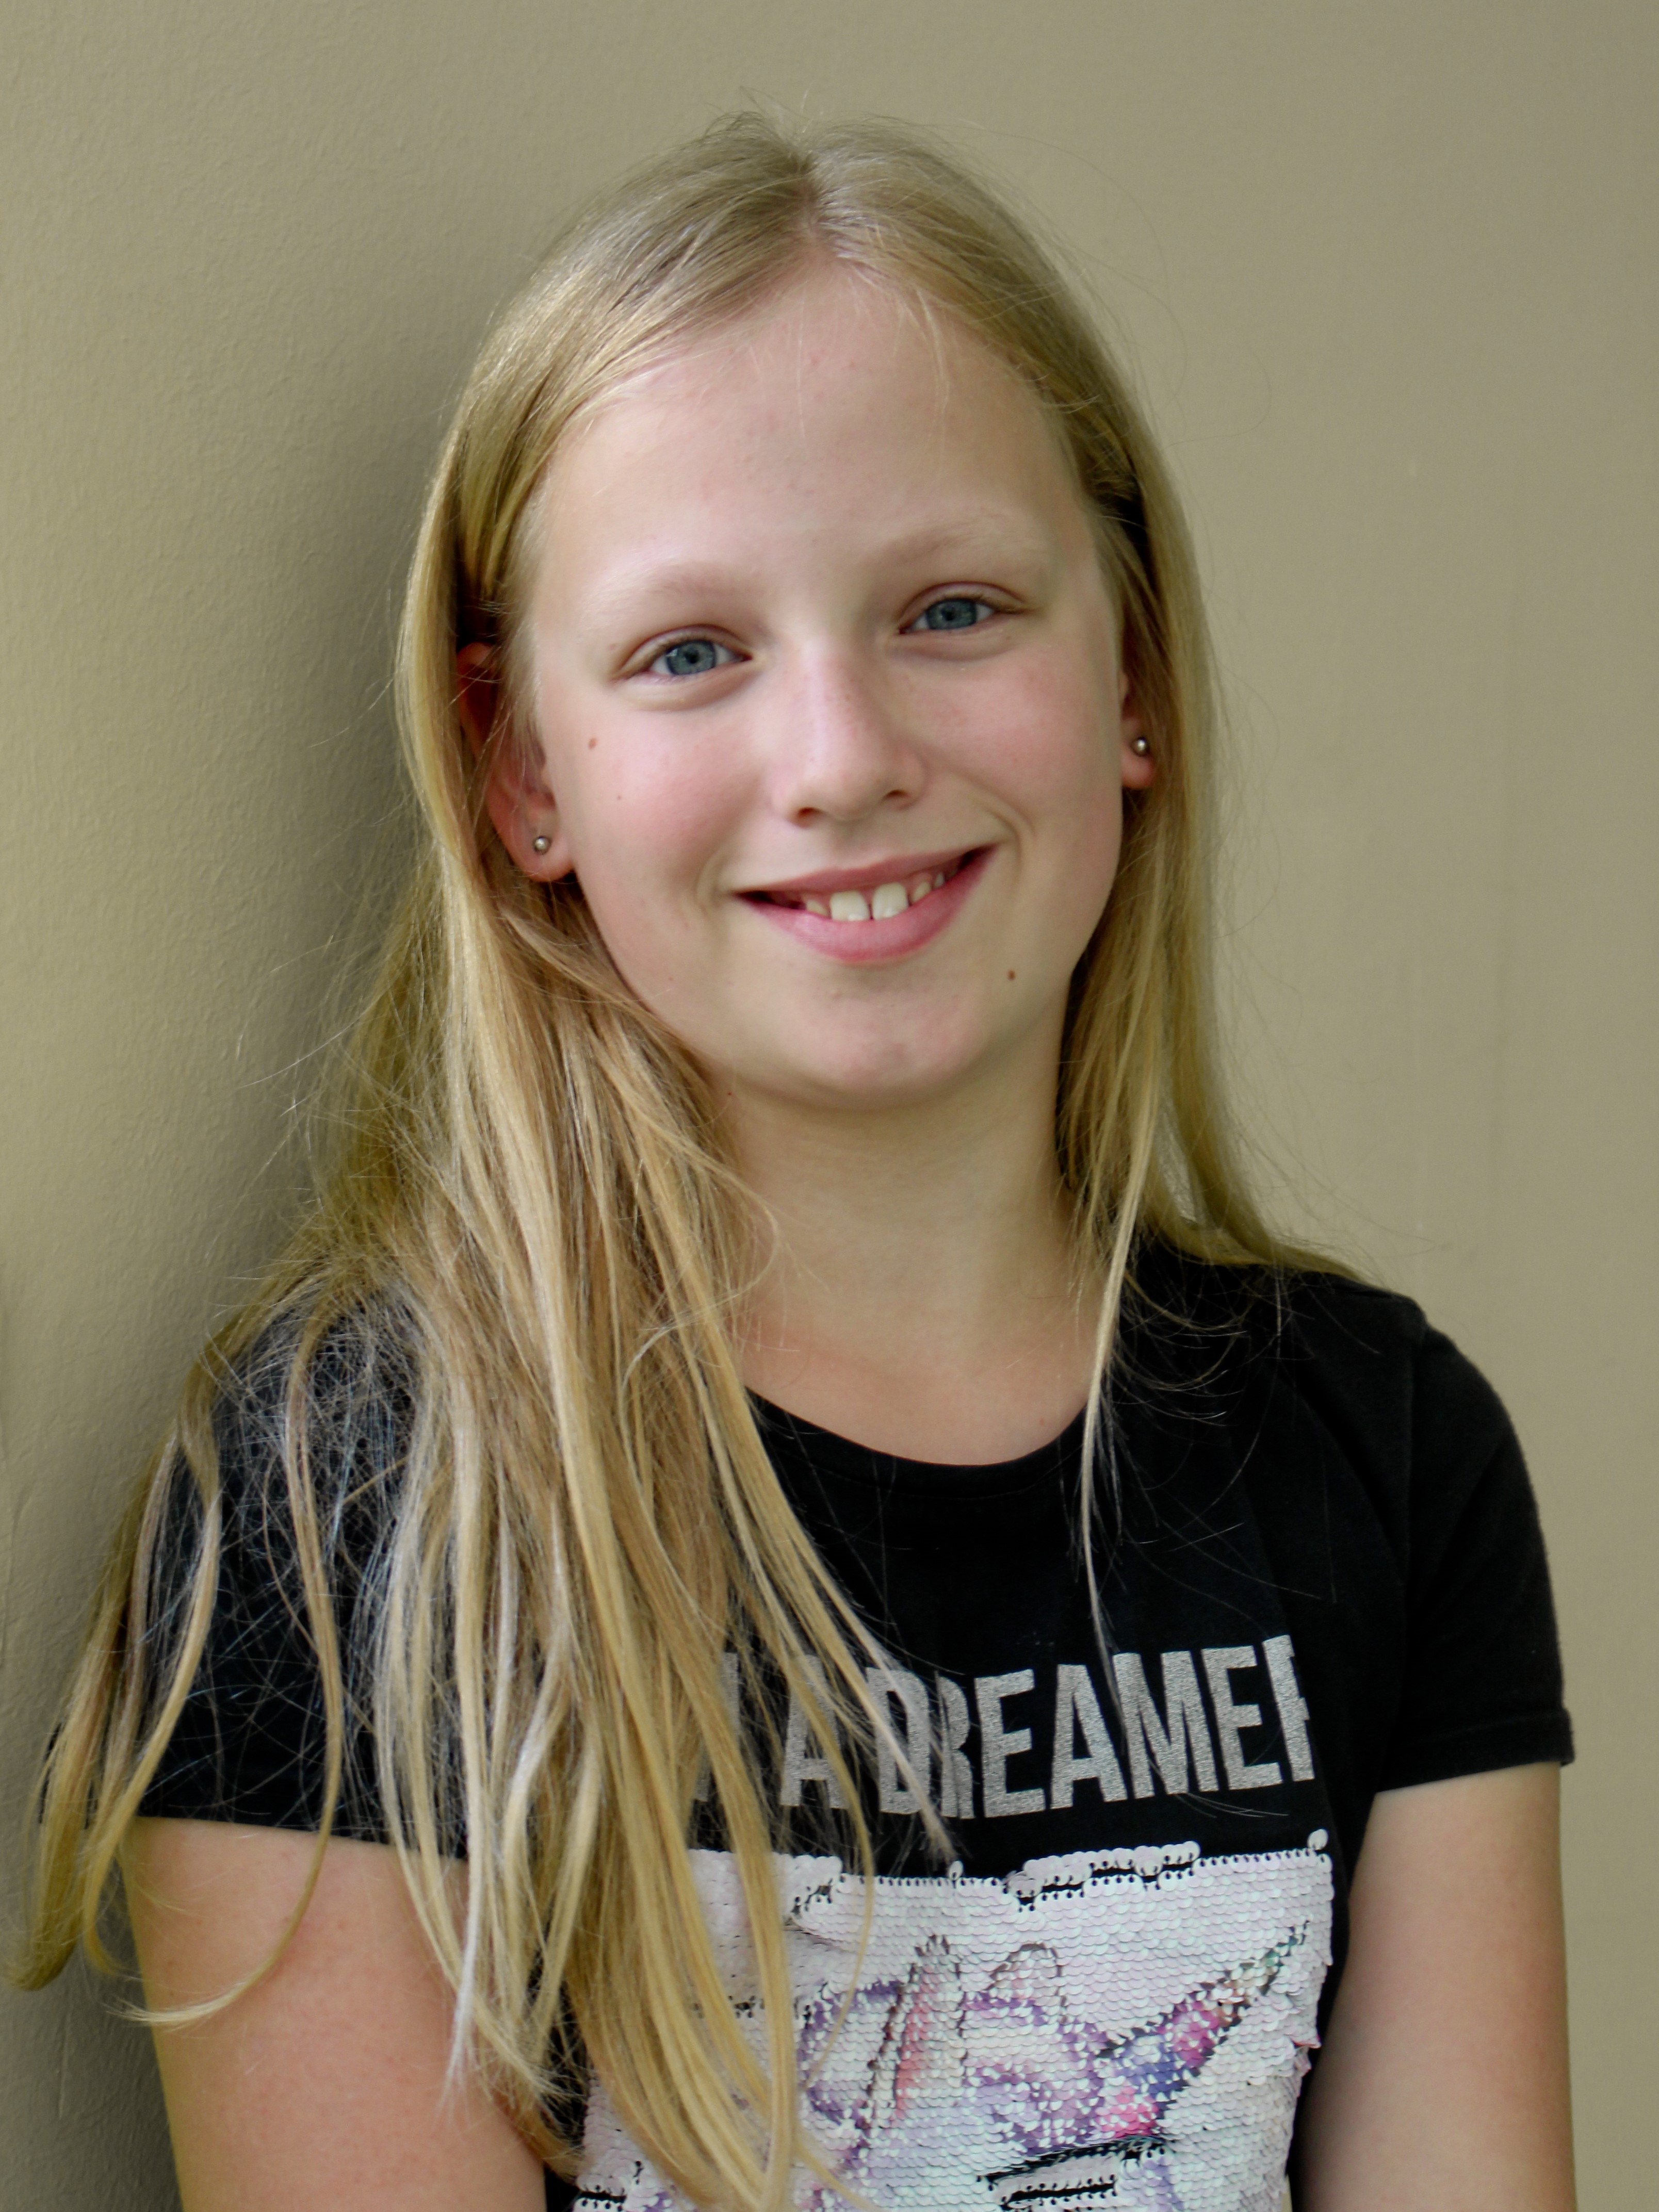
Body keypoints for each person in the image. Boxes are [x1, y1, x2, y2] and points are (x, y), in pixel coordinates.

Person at [17, 115, 1575, 2211]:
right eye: (692, 651)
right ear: (521, 766)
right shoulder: (345, 1506)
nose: (841, 756)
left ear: (1130, 676)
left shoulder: (1383, 1456)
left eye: (952, 608)